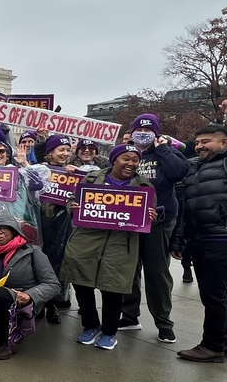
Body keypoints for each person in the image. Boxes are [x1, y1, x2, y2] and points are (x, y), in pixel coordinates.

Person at [171, 100, 227, 363]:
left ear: (223, 143)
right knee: (214, 293)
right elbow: (185, 206)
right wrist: (179, 240)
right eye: (198, 142)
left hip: (226, 236)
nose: (200, 146)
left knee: (213, 293)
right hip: (200, 238)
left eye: (206, 141)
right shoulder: (193, 168)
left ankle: (212, 346)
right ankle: (226, 342)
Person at [61, 144, 156, 350]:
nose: (131, 163)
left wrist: (152, 217)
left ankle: (109, 332)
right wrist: (73, 207)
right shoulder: (92, 178)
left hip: (120, 245)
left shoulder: (144, 187)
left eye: (135, 159)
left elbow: (150, 215)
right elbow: (71, 200)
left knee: (112, 289)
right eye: (126, 158)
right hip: (86, 242)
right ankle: (90, 326)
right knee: (82, 285)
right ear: (114, 160)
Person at [118, 114, 190, 343]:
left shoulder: (166, 152)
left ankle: (164, 322)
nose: (143, 133)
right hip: (129, 220)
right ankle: (129, 316)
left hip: (158, 222)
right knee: (128, 270)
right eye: (139, 129)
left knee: (157, 273)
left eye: (148, 130)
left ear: (156, 133)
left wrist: (164, 150)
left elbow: (180, 172)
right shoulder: (127, 154)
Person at [0, 210, 60, 360]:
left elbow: (53, 284)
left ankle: (10, 341)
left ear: (13, 229)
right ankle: (4, 326)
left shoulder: (32, 251)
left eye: (3, 227)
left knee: (0, 293)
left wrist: (30, 295)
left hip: (21, 302)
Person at [38, 134, 74, 324]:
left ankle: (52, 303)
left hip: (60, 226)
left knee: (56, 265)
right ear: (50, 153)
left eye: (68, 150)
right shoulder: (39, 170)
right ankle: (37, 303)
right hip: (39, 222)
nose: (65, 153)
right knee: (37, 263)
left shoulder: (72, 172)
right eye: (61, 150)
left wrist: (74, 175)